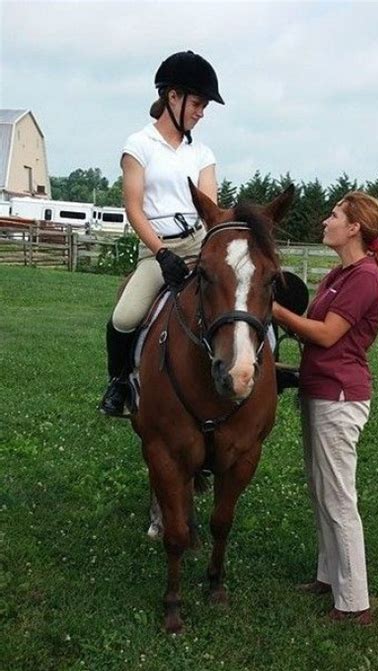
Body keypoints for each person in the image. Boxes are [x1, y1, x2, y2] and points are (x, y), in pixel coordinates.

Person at [272, 192, 378, 625]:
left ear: (354, 228)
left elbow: (328, 335)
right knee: (321, 492)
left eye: (334, 215)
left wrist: (270, 308)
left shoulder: (365, 277)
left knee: (339, 499)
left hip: (340, 398)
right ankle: (329, 576)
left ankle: (354, 604)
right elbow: (315, 334)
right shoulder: (340, 272)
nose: (325, 221)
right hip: (319, 390)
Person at [99, 50, 224, 416]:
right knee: (125, 316)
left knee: (240, 293)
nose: (201, 112)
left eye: (204, 106)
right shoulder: (138, 146)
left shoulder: (202, 153)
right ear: (173, 96)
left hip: (199, 242)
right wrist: (161, 252)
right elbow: (134, 208)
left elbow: (209, 207)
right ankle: (119, 382)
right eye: (198, 103)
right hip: (159, 248)